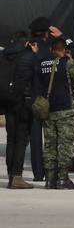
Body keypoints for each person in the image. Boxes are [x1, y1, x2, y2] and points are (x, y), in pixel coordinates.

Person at [28, 16, 74, 181]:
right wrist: (62, 35)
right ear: (47, 34)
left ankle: (39, 174)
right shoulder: (51, 50)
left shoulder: (29, 48)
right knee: (61, 140)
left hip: (33, 99)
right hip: (56, 102)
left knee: (38, 138)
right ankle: (60, 175)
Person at [35, 38, 74, 189]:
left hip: (48, 111)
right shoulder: (66, 62)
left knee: (50, 145)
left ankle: (49, 180)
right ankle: (63, 179)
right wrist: (70, 60)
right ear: (63, 50)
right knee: (65, 144)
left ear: (51, 49)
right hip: (65, 110)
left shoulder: (41, 63)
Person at [2, 32, 35, 189]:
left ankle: (10, 175)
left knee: (10, 139)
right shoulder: (27, 55)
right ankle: (17, 176)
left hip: (7, 101)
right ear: (26, 42)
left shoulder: (3, 55)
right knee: (21, 139)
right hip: (22, 102)